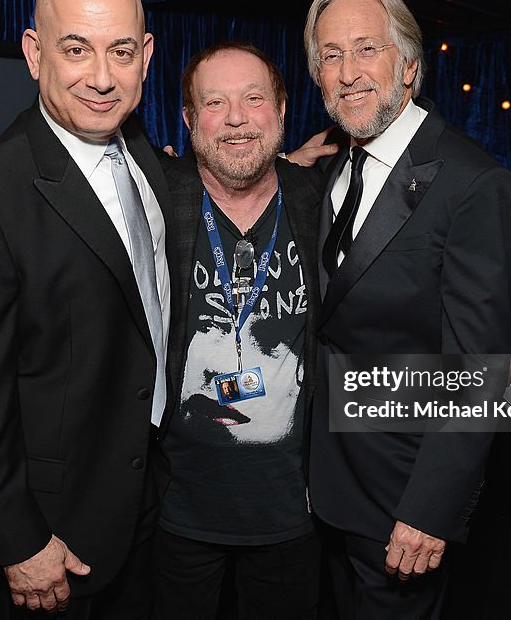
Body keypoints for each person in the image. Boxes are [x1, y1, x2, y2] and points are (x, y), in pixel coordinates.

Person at [0, 0, 173, 619]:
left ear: (145, 56)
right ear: (34, 54)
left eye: (121, 52)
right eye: (75, 49)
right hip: (60, 532)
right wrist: (18, 541)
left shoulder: (145, 152)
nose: (101, 77)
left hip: (154, 500)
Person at [303, 0, 511, 618]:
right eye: (331, 56)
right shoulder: (336, 166)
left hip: (403, 500)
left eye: (366, 49)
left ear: (411, 67)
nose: (348, 72)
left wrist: (431, 509)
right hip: (327, 484)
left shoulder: (471, 182)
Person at [155, 42, 323, 619]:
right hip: (174, 510)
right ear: (187, 118)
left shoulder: (319, 202)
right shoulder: (157, 199)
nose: (234, 118)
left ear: (280, 108)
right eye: (214, 102)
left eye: (253, 99)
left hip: (292, 512)